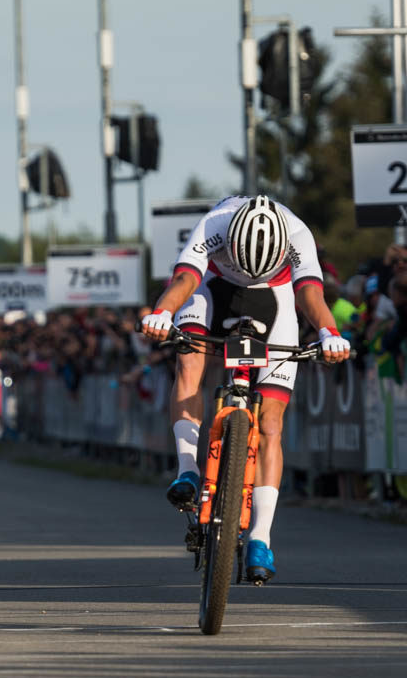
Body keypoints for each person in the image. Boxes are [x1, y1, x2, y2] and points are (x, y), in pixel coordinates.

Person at [139, 194, 352, 584]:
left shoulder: (298, 234)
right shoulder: (215, 223)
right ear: (231, 241)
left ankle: (260, 537)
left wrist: (329, 332)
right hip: (211, 288)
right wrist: (162, 313)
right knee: (189, 362)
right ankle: (187, 470)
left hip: (275, 299)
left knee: (270, 424)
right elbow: (185, 280)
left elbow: (309, 293)